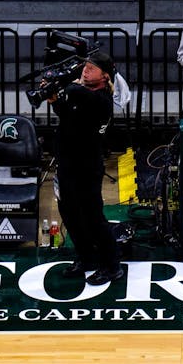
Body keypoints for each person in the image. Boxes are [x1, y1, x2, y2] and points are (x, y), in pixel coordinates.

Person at [48, 52, 122, 286]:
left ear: (105, 76)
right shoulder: (80, 93)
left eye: (91, 68)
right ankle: (86, 256)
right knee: (69, 213)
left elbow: (75, 93)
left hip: (87, 166)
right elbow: (67, 114)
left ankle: (112, 266)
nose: (85, 71)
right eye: (84, 67)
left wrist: (64, 84)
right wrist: (54, 100)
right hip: (67, 162)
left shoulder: (101, 99)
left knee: (93, 216)